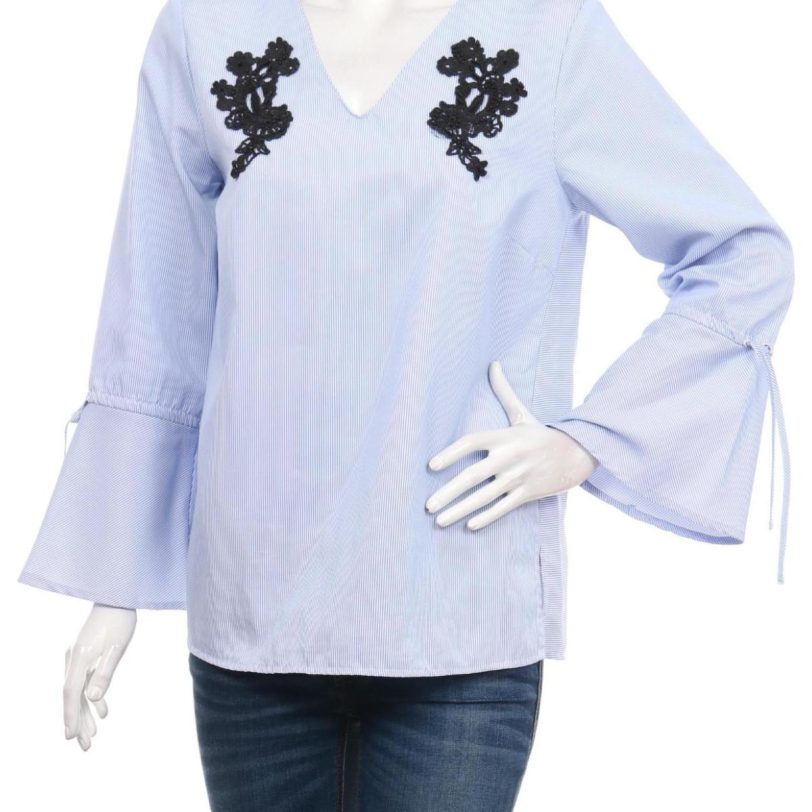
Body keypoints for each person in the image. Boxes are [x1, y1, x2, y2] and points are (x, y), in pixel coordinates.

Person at [18, 0, 793, 809]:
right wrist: (115, 581)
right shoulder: (208, 27)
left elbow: (741, 254)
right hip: (252, 613)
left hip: (459, 615)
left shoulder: (548, 31)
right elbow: (158, 308)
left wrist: (590, 441)